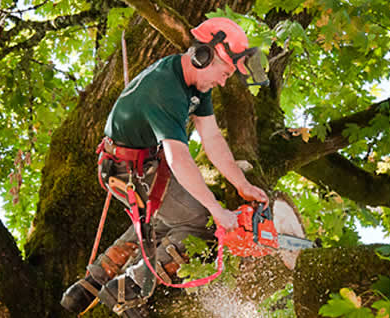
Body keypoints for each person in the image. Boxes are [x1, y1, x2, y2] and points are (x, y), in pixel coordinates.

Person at [60, 17, 269, 317]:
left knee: (170, 218)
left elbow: (212, 137)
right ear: (203, 56)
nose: (224, 82)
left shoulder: (194, 83)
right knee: (201, 224)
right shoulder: (165, 91)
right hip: (126, 168)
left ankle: (94, 281)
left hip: (143, 164)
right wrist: (216, 211)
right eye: (224, 73)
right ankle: (126, 291)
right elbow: (179, 158)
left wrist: (241, 184)